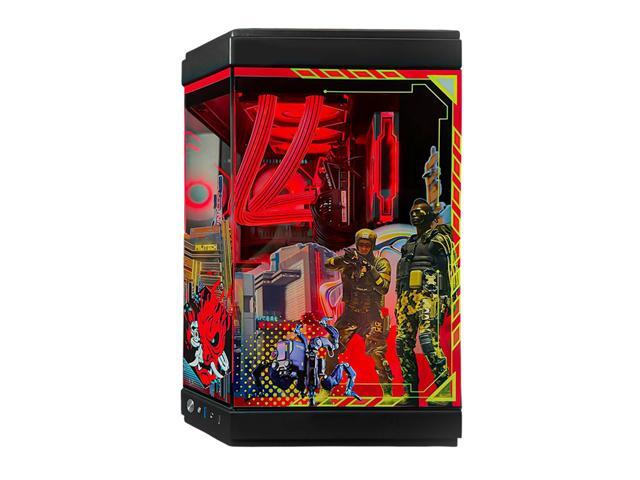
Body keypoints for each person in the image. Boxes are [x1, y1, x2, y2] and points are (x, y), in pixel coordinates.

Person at [395, 198, 454, 406]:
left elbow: (451, 267)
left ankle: (444, 391)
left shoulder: (439, 238)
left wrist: (449, 296)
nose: (415, 214)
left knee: (428, 339)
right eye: (413, 211)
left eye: (420, 211)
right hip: (406, 299)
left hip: (430, 295)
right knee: (402, 343)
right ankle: (410, 394)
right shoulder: (409, 244)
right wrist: (399, 301)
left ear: (429, 216)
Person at [324, 228, 393, 397]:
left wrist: (368, 267)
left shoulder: (380, 263)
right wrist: (345, 259)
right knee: (332, 347)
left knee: (377, 353)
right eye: (361, 245)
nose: (363, 248)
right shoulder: (349, 262)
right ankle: (325, 390)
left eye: (367, 245)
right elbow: (329, 264)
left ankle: (388, 393)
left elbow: (383, 288)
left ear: (372, 246)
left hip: (372, 315)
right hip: (351, 314)